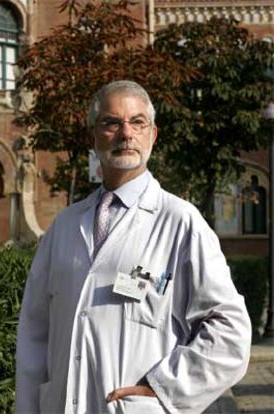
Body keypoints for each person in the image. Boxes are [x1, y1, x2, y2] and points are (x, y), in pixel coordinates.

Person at [16, 80, 251, 413]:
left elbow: (230, 331)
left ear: (152, 135)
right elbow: (33, 336)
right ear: (93, 137)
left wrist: (164, 389)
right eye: (111, 123)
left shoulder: (181, 222)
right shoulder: (65, 226)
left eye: (137, 122)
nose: (126, 133)